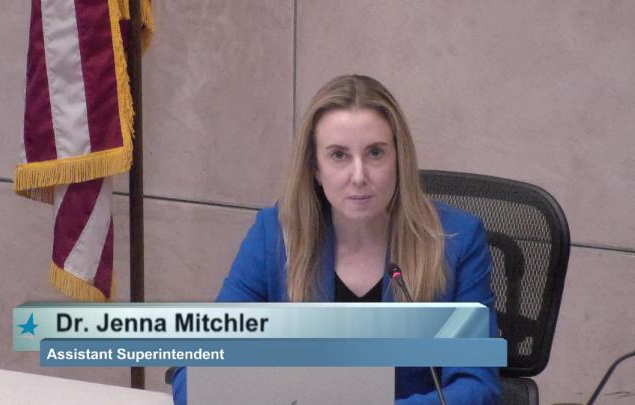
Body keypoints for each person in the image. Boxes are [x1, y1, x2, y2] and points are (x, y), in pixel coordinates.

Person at [171, 74, 501, 404]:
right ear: (315, 167)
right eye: (339, 155)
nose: (359, 176)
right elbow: (197, 367)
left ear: (399, 159)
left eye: (375, 153)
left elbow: (477, 387)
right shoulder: (275, 235)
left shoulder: (456, 241)